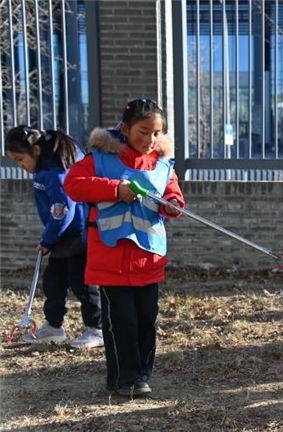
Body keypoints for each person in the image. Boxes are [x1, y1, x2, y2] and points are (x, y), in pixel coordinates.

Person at [63, 98, 185, 397]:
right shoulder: (100, 160)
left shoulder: (163, 166)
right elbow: (73, 185)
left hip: (148, 260)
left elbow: (175, 198)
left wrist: (173, 206)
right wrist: (115, 189)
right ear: (125, 129)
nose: (151, 140)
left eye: (157, 133)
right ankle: (123, 379)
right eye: (144, 131)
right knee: (121, 323)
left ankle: (142, 374)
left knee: (146, 322)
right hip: (110, 260)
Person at [4, 126, 103, 349]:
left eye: (20, 159)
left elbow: (62, 211)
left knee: (83, 284)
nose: (20, 165)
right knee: (53, 283)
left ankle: (97, 328)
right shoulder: (44, 170)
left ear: (36, 151)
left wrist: (47, 240)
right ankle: (54, 327)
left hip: (76, 235)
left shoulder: (56, 173)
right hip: (60, 237)